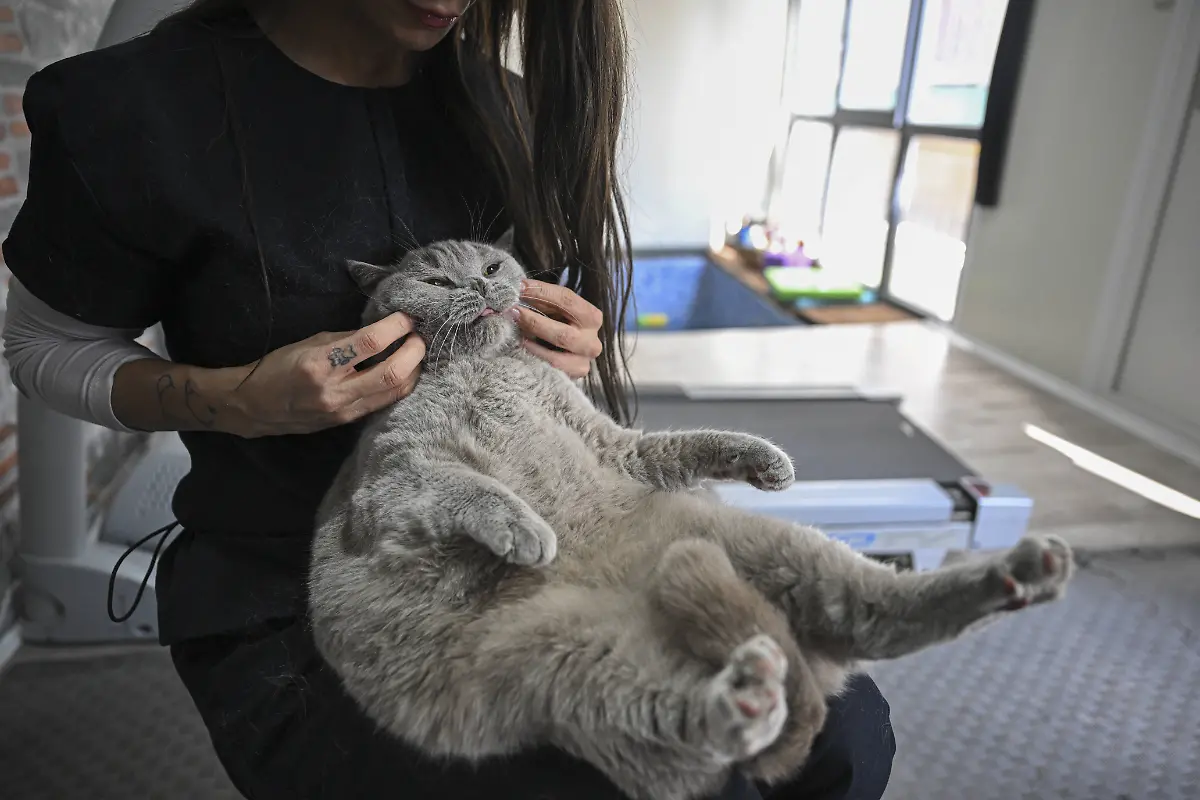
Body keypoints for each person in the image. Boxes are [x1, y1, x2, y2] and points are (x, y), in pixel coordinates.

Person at [0, 1, 896, 798]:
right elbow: (42, 345)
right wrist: (234, 399)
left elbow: (539, 335)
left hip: (549, 553)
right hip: (313, 589)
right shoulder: (133, 112)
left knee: (842, 734)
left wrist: (566, 346)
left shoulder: (512, 108)